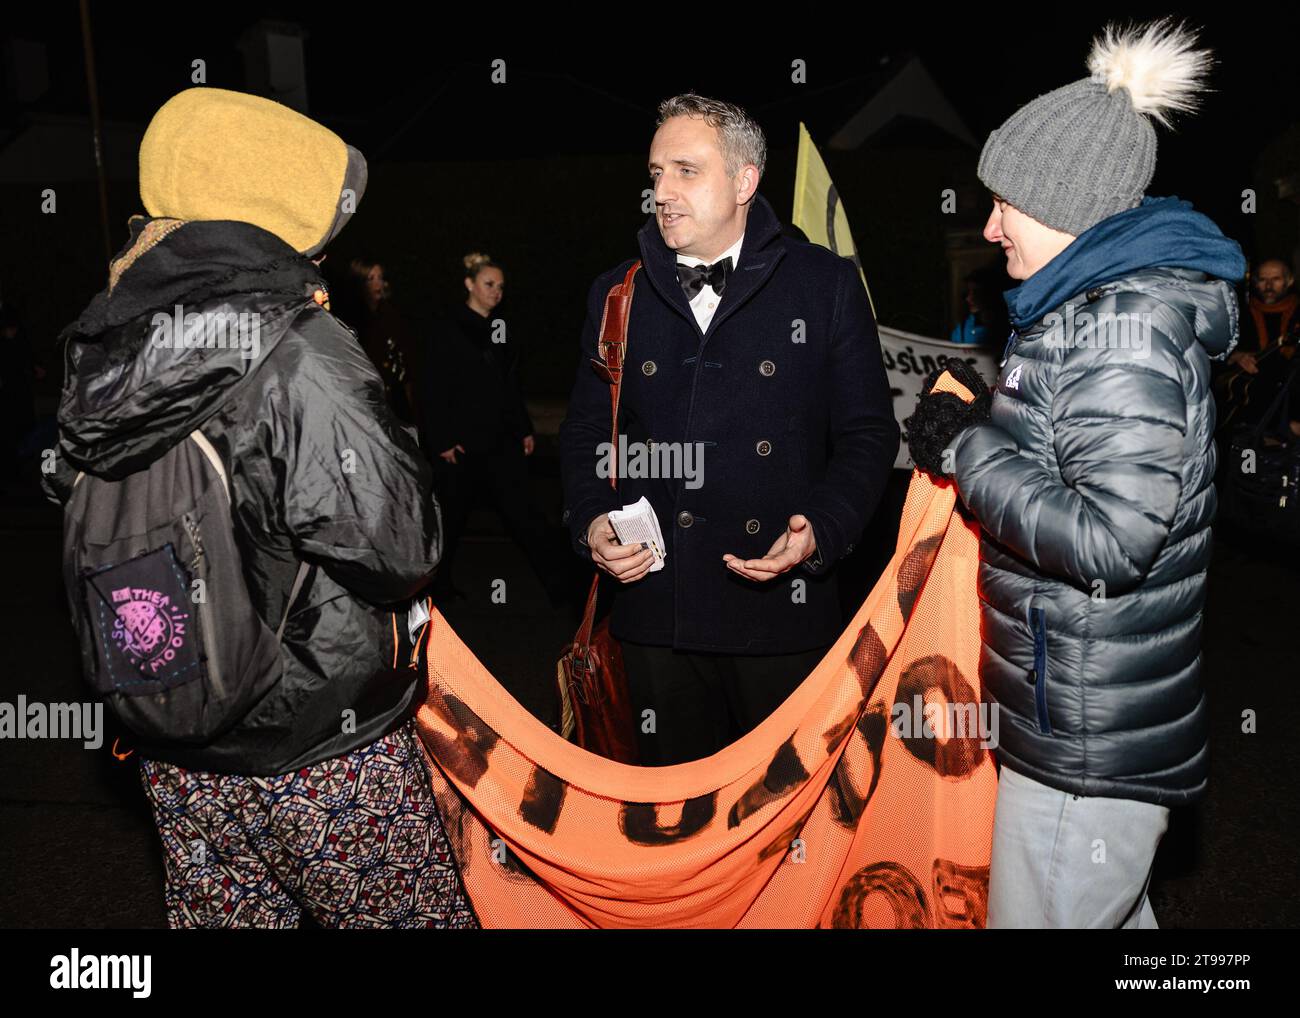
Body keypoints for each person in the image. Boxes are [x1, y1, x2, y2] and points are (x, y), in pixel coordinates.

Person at [41, 87, 476, 929]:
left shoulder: (106, 335)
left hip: (177, 744)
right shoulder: (298, 348)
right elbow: (399, 547)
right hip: (317, 747)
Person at [906, 20, 1244, 928]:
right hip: (1088, 724)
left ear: (1060, 203)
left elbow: (1112, 539)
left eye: (1003, 203)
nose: (987, 227)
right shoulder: (1086, 313)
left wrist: (963, 449)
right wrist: (986, 427)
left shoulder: (1118, 329)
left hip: (1089, 747)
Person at [559, 94, 898, 766]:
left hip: (781, 614)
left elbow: (868, 433)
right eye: (656, 173)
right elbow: (586, 432)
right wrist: (592, 520)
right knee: (670, 826)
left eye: (686, 171)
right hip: (656, 612)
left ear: (745, 181)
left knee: (785, 823)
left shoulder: (824, 286)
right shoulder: (617, 292)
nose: (663, 192)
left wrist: (822, 526)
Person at [419, 252, 568, 606]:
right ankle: (433, 592)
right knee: (449, 522)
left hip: (500, 443)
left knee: (526, 516)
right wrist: (441, 439)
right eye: (489, 284)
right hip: (461, 446)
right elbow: (433, 388)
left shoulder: (500, 327)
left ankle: (562, 589)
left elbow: (508, 385)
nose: (496, 291)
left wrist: (524, 429)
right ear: (469, 285)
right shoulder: (448, 328)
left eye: (500, 286)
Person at [331, 257, 420, 424]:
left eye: (380, 277)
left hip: (397, 394)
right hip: (371, 397)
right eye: (370, 278)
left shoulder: (390, 313)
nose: (377, 284)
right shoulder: (353, 318)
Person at [1218, 256, 1300, 435]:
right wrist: (1235, 357)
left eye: (1276, 279)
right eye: (1263, 280)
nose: (1268, 286)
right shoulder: (1240, 314)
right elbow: (1216, 353)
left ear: (1289, 281)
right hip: (1252, 409)